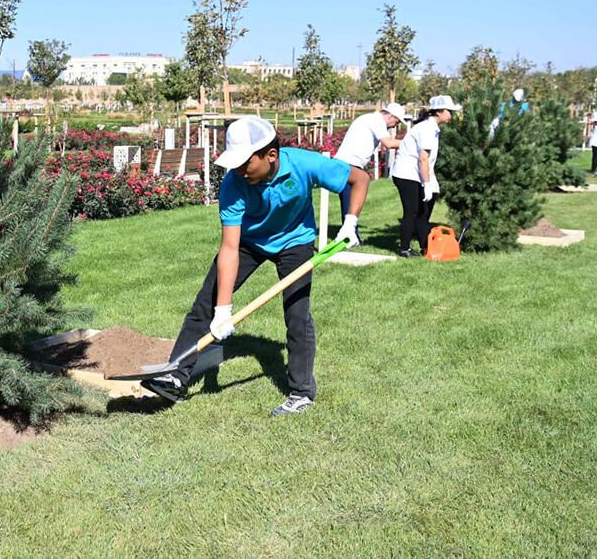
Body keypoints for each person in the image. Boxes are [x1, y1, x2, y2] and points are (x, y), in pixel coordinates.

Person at [143, 116, 369, 416]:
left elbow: (359, 179)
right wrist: (223, 309)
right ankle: (175, 376)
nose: (239, 170)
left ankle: (301, 393)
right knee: (206, 304)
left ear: (270, 155)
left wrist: (350, 222)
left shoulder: (304, 164)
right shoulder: (234, 184)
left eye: (244, 162)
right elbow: (229, 248)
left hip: (295, 241)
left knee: (297, 314)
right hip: (249, 242)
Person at [390, 95, 461, 258]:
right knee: (412, 211)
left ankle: (426, 247)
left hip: (416, 173)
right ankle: (405, 249)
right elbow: (423, 158)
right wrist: (427, 184)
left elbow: (429, 161)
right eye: (449, 111)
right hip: (406, 173)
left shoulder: (433, 128)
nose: (451, 115)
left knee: (423, 212)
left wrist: (432, 180)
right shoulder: (427, 128)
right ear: (439, 112)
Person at [333, 102, 410, 227]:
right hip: (349, 163)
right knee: (351, 205)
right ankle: (349, 233)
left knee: (349, 204)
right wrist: (414, 143)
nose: (394, 126)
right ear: (391, 116)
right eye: (396, 122)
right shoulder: (377, 121)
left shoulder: (369, 118)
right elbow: (389, 143)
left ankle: (350, 232)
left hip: (346, 162)